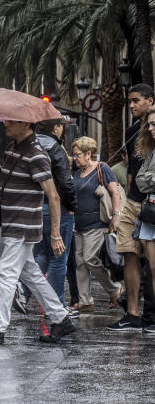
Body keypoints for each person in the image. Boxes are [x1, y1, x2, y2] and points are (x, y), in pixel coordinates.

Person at [0, 120, 76, 345]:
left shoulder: (37, 154)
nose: (7, 124)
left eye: (13, 122)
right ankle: (61, 318)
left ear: (28, 124)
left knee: (6, 272)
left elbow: (53, 195)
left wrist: (55, 233)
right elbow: (0, 183)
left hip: (23, 225)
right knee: (32, 275)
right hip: (12, 222)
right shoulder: (12, 148)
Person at [16, 117, 77, 312]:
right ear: (56, 127)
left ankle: (23, 290)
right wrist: (72, 205)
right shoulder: (55, 148)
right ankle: (58, 305)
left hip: (34, 207)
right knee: (59, 257)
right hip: (54, 207)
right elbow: (65, 182)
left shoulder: (29, 145)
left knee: (42, 253)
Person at [108, 84, 155, 331]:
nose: (132, 105)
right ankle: (133, 314)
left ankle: (151, 316)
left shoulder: (153, 129)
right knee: (127, 254)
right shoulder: (131, 130)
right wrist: (123, 204)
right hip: (132, 202)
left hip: (152, 204)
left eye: (137, 100)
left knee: (152, 263)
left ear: (150, 100)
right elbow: (130, 172)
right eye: (130, 102)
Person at [69, 136, 123, 313]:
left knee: (90, 258)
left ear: (88, 154)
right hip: (78, 224)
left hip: (97, 223)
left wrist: (116, 216)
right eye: (74, 155)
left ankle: (115, 289)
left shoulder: (102, 168)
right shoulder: (77, 173)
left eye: (77, 155)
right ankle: (85, 301)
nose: (75, 158)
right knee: (80, 263)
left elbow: (115, 193)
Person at [134, 107, 155, 336]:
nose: (150, 129)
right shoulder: (151, 151)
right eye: (149, 124)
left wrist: (150, 179)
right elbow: (141, 181)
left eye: (154, 124)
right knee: (152, 268)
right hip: (150, 214)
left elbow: (146, 179)